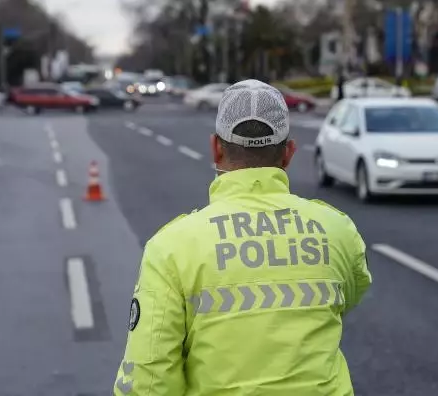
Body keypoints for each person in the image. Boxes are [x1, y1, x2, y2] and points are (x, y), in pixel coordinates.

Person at [114, 79, 372, 396]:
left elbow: (147, 383)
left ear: (215, 148)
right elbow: (348, 296)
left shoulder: (171, 247)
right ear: (288, 153)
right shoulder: (337, 229)